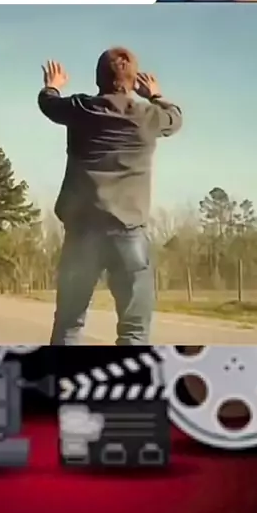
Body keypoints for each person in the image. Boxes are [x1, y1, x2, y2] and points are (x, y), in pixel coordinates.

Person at [38, 50, 183, 345]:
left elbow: (48, 103)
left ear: (98, 79)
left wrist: (52, 85)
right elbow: (176, 118)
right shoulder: (148, 117)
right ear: (134, 81)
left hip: (82, 234)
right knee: (134, 331)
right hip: (128, 233)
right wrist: (155, 95)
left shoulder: (81, 108)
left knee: (68, 325)